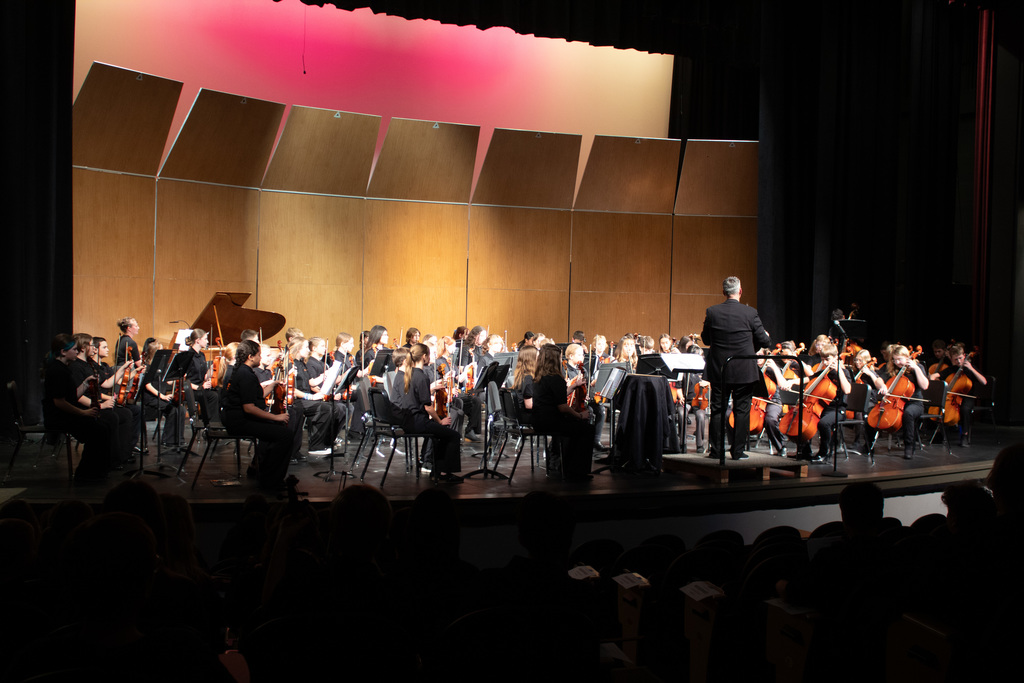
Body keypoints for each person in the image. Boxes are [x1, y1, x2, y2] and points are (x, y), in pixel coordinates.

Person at [701, 276, 771, 460]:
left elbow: (706, 340)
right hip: (744, 370)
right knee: (741, 410)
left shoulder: (712, 312)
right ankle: (738, 452)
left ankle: (716, 451)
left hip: (720, 370)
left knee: (717, 410)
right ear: (740, 291)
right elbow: (765, 341)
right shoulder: (750, 313)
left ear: (723, 292)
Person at [221, 339, 302, 489]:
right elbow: (249, 408)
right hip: (240, 422)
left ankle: (261, 470)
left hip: (243, 419)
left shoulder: (244, 371)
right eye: (258, 354)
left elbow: (256, 396)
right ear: (251, 357)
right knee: (285, 435)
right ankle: (271, 479)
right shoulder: (245, 374)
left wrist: (273, 385)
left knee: (277, 429)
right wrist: (276, 416)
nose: (260, 357)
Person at [42, 333, 114, 480]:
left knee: (103, 426)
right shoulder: (57, 371)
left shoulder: (63, 368)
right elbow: (59, 402)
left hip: (64, 414)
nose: (77, 351)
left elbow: (71, 395)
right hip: (58, 417)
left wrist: (85, 383)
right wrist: (83, 413)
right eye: (74, 349)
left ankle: (96, 471)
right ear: (63, 352)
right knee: (98, 430)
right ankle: (86, 475)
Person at [396, 344, 463, 483]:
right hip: (418, 422)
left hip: (407, 421)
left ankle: (436, 469)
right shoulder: (421, 376)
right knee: (453, 435)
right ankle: (444, 473)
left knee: (442, 433)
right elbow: (428, 407)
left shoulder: (406, 374)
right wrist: (439, 421)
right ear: (424, 357)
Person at [530, 344, 594, 481]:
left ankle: (560, 462)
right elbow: (563, 407)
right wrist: (580, 415)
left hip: (538, 420)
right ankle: (576, 470)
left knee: (576, 425)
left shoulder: (539, 377)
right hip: (551, 422)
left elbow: (556, 396)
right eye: (559, 357)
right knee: (586, 428)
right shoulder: (556, 378)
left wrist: (574, 386)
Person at [869, 344, 929, 459]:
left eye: (899, 359)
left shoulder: (918, 367)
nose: (897, 362)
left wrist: (916, 369)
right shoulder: (891, 367)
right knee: (873, 413)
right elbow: (878, 379)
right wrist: (882, 385)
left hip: (914, 403)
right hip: (894, 402)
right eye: (894, 359)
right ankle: (868, 445)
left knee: (908, 413)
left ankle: (909, 446)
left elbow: (925, 386)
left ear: (907, 357)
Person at [929, 342, 986, 446]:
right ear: (951, 359)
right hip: (953, 398)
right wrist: (933, 379)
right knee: (941, 406)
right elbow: (935, 375)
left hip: (967, 397)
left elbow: (984, 382)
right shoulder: (952, 369)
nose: (959, 361)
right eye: (956, 359)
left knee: (965, 409)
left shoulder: (970, 369)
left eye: (960, 358)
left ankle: (964, 435)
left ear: (964, 356)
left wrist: (971, 369)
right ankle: (940, 433)